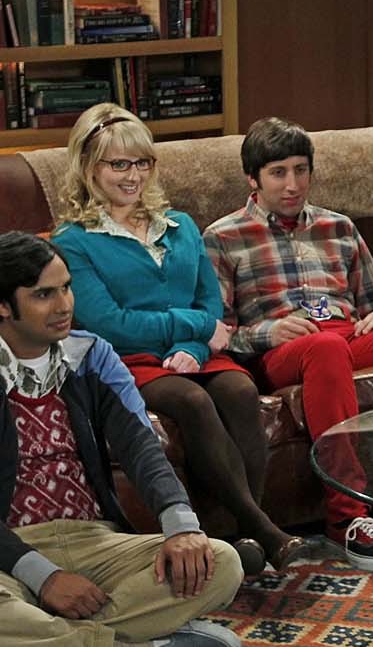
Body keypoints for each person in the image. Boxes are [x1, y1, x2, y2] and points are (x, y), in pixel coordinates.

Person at [0, 232, 244, 647]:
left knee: (221, 563)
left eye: (66, 287)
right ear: (2, 305)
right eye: (43, 295)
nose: (64, 305)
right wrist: (44, 578)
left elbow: (140, 445)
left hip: (94, 541)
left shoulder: (93, 357)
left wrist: (181, 526)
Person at [52, 104, 316, 575]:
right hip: (123, 359)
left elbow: (210, 306)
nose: (133, 176)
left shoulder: (180, 225)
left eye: (142, 162)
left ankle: (239, 542)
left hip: (192, 354)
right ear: (89, 167)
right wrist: (193, 328)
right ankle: (265, 531)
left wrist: (193, 348)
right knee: (191, 401)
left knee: (240, 390)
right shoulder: (74, 240)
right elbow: (110, 323)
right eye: (119, 164)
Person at [203, 116, 373, 571]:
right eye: (278, 173)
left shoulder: (339, 227)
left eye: (300, 170)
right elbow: (219, 333)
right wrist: (270, 332)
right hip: (281, 349)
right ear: (253, 179)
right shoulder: (222, 237)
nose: (292, 184)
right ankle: (347, 515)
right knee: (326, 348)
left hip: (345, 335)